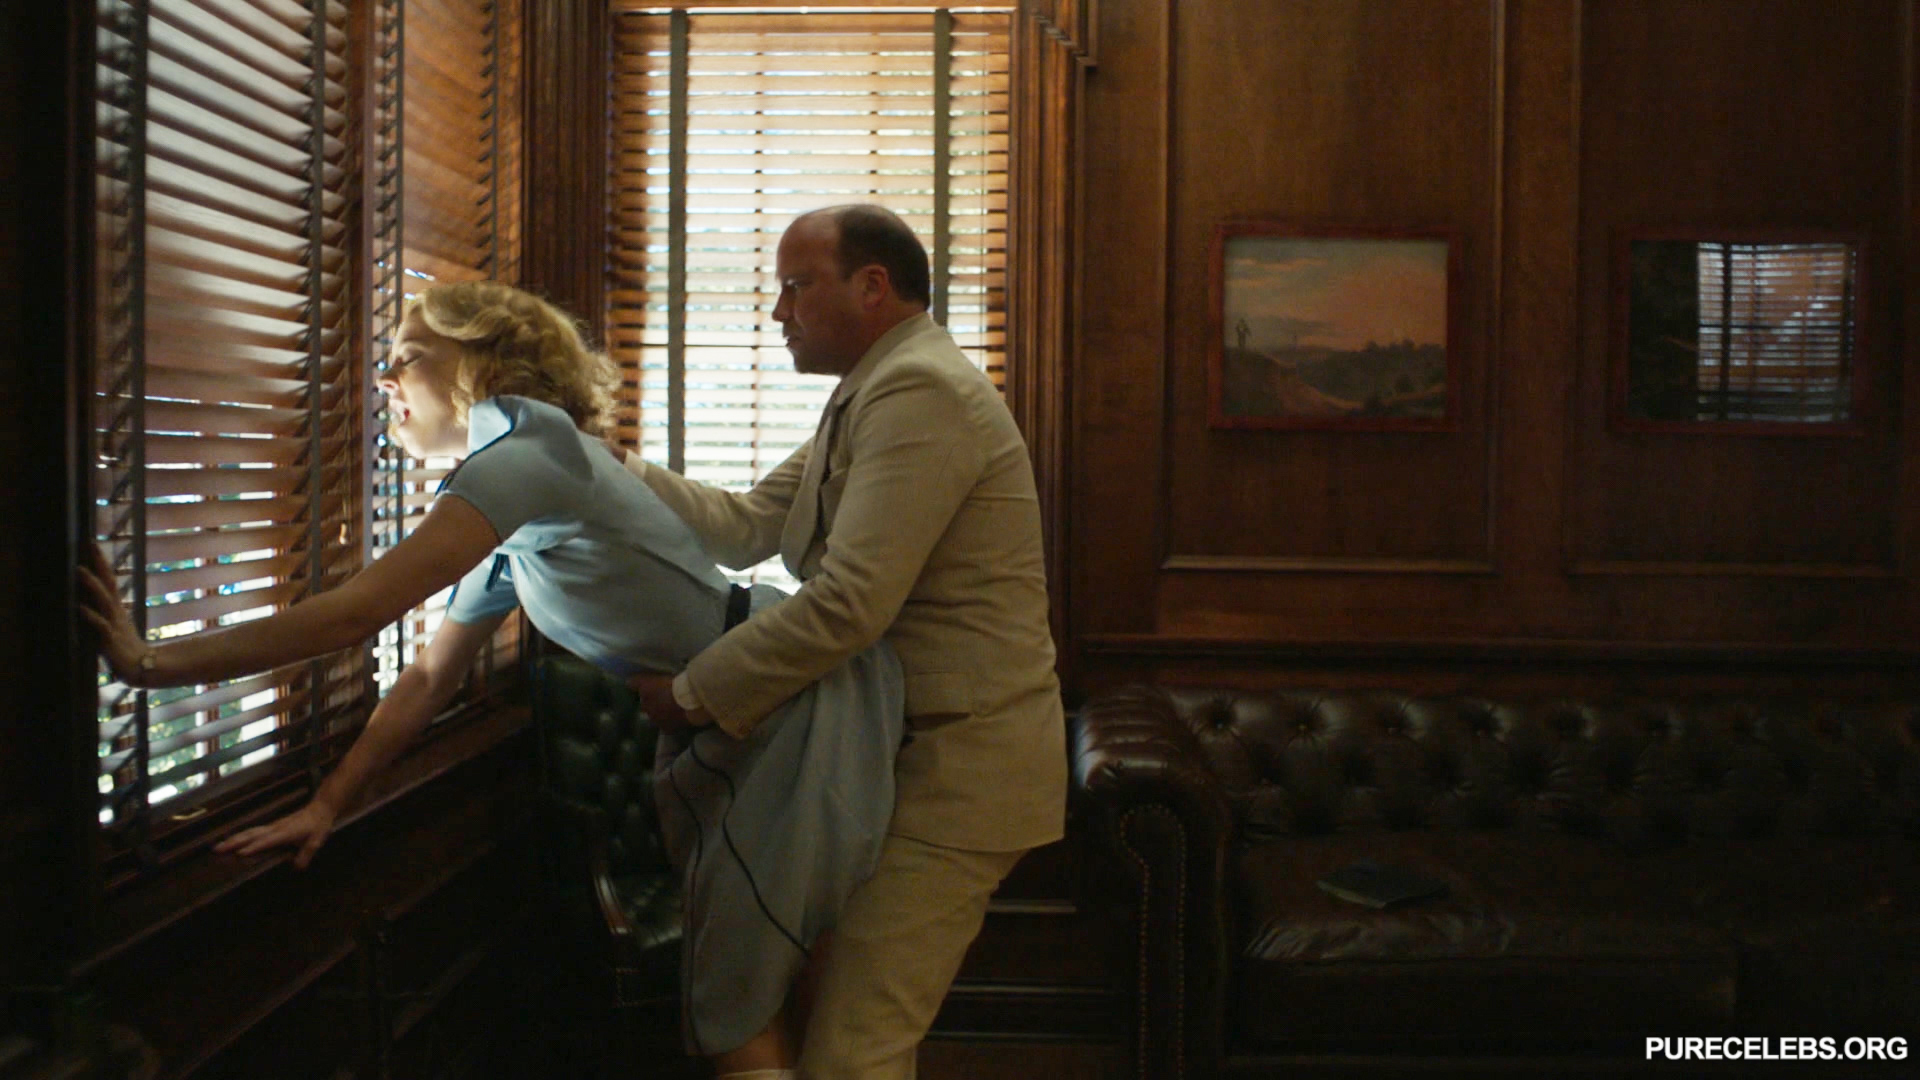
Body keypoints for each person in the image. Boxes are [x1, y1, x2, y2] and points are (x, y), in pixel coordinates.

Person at [77, 281, 902, 1080]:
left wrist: (150, 663)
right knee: (786, 994)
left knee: (743, 1005)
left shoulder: (525, 454)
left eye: (408, 356)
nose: (385, 379)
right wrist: (328, 803)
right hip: (745, 721)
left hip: (779, 709)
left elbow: (355, 613)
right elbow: (429, 675)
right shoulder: (528, 480)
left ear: (482, 363)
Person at [617, 204, 1067, 1079]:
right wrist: (612, 466)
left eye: (795, 286)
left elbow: (851, 604)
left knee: (855, 1051)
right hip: (900, 758)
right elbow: (746, 524)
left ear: (872, 287)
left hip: (958, 770)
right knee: (843, 1035)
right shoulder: (874, 387)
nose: (777, 311)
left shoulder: (921, 391)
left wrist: (691, 695)